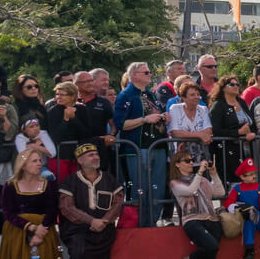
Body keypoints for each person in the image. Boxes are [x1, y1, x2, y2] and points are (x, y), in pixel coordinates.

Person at [58, 143, 123, 259]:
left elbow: (117, 203)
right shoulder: (70, 181)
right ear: (80, 160)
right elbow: (66, 207)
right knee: (80, 252)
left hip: (104, 229)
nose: (95, 157)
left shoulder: (109, 179)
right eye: (90, 155)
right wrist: (90, 221)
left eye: (96, 154)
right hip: (77, 230)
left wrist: (104, 221)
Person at [113, 62, 169, 223]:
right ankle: (140, 225)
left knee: (157, 190)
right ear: (134, 75)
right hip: (138, 148)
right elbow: (120, 124)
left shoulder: (150, 95)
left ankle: (152, 223)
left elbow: (154, 114)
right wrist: (145, 119)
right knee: (141, 189)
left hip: (157, 146)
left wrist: (163, 116)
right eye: (146, 72)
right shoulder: (126, 95)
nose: (149, 74)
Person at [169, 149, 225, 259]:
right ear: (177, 165)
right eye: (187, 161)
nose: (191, 163)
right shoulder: (175, 182)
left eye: (191, 160)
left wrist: (213, 174)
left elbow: (220, 192)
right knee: (211, 246)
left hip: (211, 219)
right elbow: (190, 191)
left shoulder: (200, 179)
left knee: (211, 258)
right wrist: (200, 172)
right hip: (192, 221)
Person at [224, 158, 260, 259]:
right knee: (248, 225)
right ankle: (249, 250)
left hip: (258, 213)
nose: (254, 176)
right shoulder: (237, 189)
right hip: (247, 214)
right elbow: (228, 202)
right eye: (251, 174)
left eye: (254, 173)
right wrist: (235, 207)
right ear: (242, 177)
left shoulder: (259, 187)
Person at [209, 75, 256, 183]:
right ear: (223, 87)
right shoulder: (219, 105)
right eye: (231, 84)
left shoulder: (242, 102)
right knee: (232, 183)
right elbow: (215, 130)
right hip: (227, 151)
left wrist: (252, 133)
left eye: (237, 84)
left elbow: (252, 123)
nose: (235, 86)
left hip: (246, 150)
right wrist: (238, 132)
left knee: (248, 182)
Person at [44, 81, 91, 179]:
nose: (58, 97)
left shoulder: (82, 109)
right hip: (60, 156)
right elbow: (56, 137)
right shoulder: (52, 112)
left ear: (73, 96)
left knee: (79, 185)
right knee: (62, 186)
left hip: (79, 155)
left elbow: (86, 134)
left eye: (62, 95)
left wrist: (74, 118)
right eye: (57, 94)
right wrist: (65, 119)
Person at [75, 70, 116, 170]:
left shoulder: (104, 102)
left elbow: (113, 125)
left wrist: (110, 136)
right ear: (76, 84)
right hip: (76, 149)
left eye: (91, 80)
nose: (90, 83)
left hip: (99, 149)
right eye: (86, 81)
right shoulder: (72, 102)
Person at [168, 81, 214, 162]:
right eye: (192, 95)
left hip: (201, 156)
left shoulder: (203, 109)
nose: (197, 97)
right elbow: (175, 133)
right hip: (181, 157)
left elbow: (208, 131)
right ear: (184, 97)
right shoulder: (175, 108)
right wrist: (199, 135)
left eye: (198, 94)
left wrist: (185, 135)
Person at [0, 78, 20, 177]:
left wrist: (4, 117)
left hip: (2, 153)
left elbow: (11, 133)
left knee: (0, 184)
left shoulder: (9, 108)